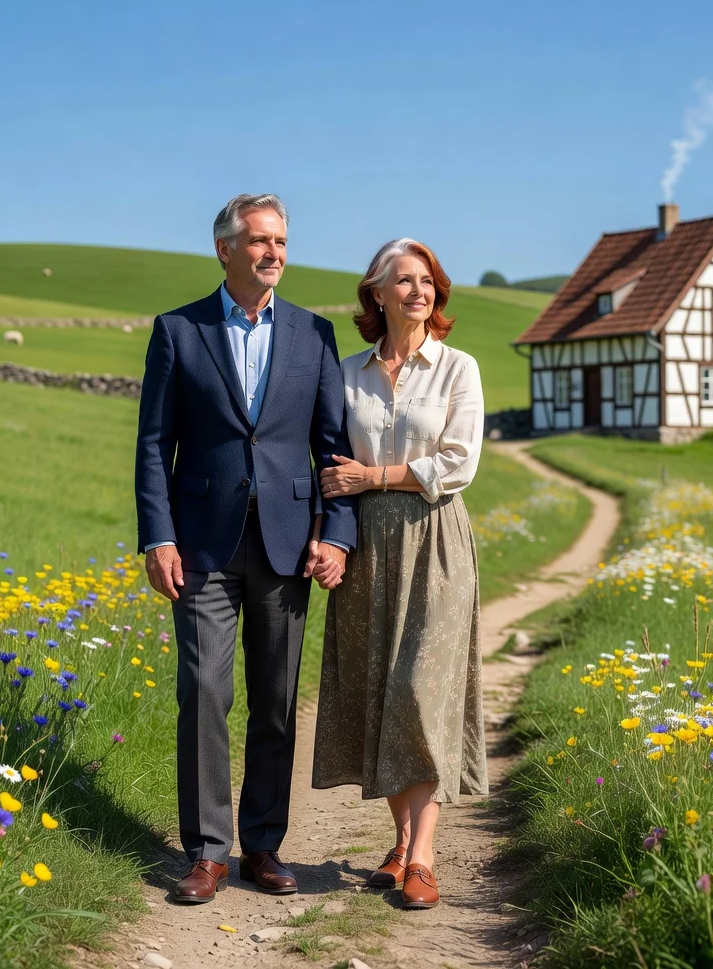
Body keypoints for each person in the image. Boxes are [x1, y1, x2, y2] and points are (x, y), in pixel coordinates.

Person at [135, 193, 357, 904]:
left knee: (276, 702)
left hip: (290, 544)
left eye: (282, 242)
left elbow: (334, 448)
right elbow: (152, 446)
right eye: (260, 241)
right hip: (201, 545)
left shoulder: (314, 335)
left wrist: (338, 534)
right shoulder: (178, 330)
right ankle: (206, 852)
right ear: (225, 248)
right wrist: (158, 535)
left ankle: (263, 845)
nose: (275, 254)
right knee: (203, 693)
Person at [311, 237, 487, 910]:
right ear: (376, 293)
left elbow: (458, 462)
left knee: (420, 692)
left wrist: (375, 476)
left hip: (435, 537)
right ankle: (400, 841)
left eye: (427, 282)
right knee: (378, 692)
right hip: (364, 543)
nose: (418, 291)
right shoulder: (347, 372)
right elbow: (327, 462)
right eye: (403, 281)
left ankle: (423, 855)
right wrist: (331, 537)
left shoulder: (457, 368)